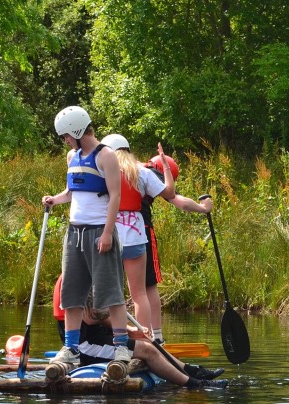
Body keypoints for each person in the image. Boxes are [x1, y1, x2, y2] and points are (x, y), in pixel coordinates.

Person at [42, 106, 131, 372]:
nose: (65, 141)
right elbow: (72, 191)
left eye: (67, 135)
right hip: (74, 232)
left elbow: (115, 196)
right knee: (71, 292)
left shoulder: (106, 156)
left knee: (111, 291)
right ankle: (71, 348)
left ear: (79, 130)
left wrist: (106, 233)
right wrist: (54, 200)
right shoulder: (72, 156)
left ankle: (122, 347)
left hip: (98, 233)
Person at [101, 134, 175, 330]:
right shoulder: (142, 173)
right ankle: (146, 340)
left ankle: (117, 338)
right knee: (139, 294)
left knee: (111, 294)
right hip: (135, 238)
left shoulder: (103, 172)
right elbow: (170, 193)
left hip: (111, 237)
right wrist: (166, 166)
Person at [140, 152, 213, 344]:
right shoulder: (152, 174)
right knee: (149, 285)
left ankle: (122, 337)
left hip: (112, 231)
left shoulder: (125, 168)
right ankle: (156, 337)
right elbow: (179, 201)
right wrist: (203, 208)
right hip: (141, 232)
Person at [78, 296, 228, 388]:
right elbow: (90, 317)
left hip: (99, 337)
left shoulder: (93, 272)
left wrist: (130, 329)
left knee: (147, 341)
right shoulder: (75, 280)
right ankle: (194, 384)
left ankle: (192, 371)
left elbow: (101, 317)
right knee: (146, 350)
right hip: (87, 346)